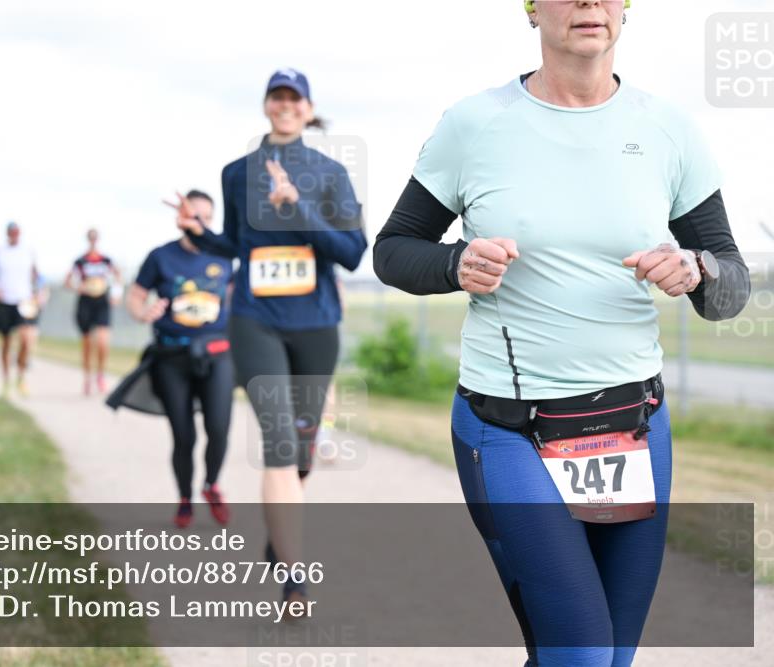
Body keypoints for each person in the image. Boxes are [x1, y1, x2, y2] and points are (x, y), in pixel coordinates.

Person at [373, 2, 750, 665]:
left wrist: (697, 269)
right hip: (510, 428)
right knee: (581, 655)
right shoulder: (475, 124)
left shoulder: (668, 129)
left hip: (635, 425)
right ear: (531, 8)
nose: (588, 2)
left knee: (608, 657)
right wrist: (455, 263)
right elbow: (394, 249)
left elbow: (731, 284)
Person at [175, 68, 367, 607]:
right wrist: (200, 234)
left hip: (315, 325)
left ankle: (280, 534)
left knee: (301, 449)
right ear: (266, 105)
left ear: (308, 109)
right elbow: (237, 246)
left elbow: (353, 253)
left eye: (294, 98)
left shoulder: (330, 173)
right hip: (254, 320)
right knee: (279, 444)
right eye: (276, 97)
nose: (285, 105)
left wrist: (296, 207)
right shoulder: (236, 173)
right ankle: (294, 578)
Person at [122, 190, 235, 528]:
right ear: (181, 218)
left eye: (207, 217)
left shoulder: (225, 256)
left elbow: (236, 296)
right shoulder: (161, 257)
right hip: (172, 356)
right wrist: (143, 312)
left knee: (219, 428)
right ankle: (185, 498)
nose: (200, 222)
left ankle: (211, 485)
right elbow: (136, 296)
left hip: (217, 355)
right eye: (194, 215)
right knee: (184, 436)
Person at [0, 221, 39, 398]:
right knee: (6, 343)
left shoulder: (28, 251)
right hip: (5, 301)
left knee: (26, 340)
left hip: (23, 301)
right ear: (7, 233)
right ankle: (6, 380)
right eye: (11, 232)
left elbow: (37, 276)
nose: (14, 235)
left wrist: (39, 293)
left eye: (16, 232)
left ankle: (21, 377)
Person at [65, 229, 123, 395]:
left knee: (103, 341)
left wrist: (116, 294)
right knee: (87, 343)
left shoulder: (106, 260)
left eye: (95, 238)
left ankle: (100, 375)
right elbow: (68, 281)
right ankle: (87, 377)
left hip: (102, 301)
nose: (93, 241)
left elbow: (118, 276)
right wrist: (79, 287)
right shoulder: (80, 261)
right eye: (91, 239)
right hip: (86, 302)